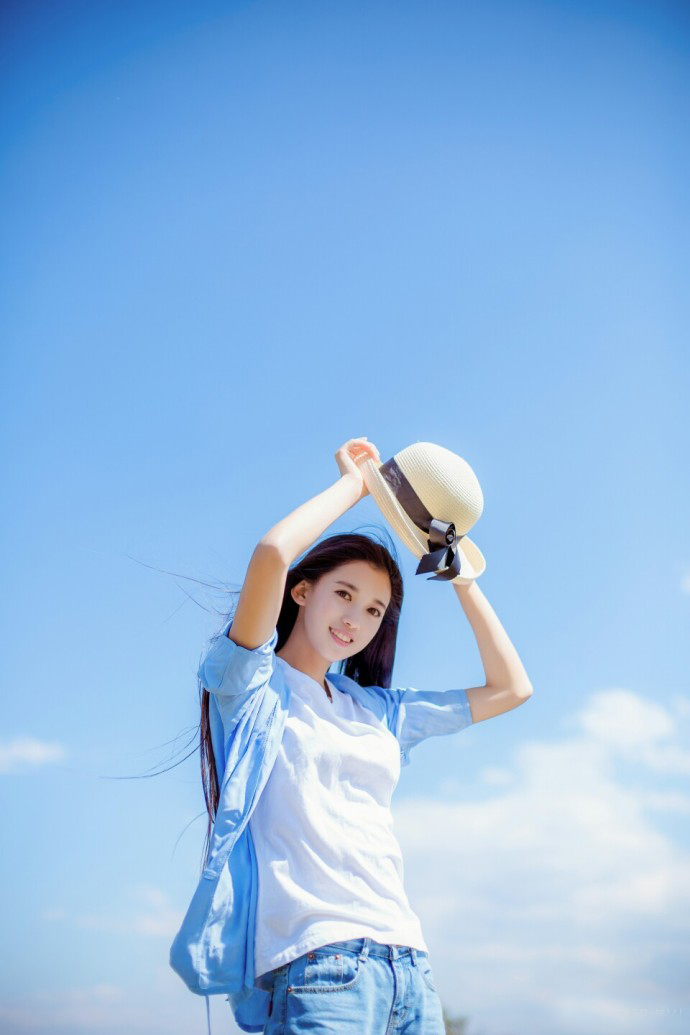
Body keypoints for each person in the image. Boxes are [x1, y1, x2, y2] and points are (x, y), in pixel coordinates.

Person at [170, 437, 534, 1034]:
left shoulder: (377, 711)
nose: (357, 619)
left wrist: (460, 575)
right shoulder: (251, 686)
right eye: (345, 594)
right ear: (303, 590)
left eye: (375, 610)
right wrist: (358, 486)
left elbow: (510, 689)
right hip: (318, 967)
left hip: (410, 970)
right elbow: (270, 553)